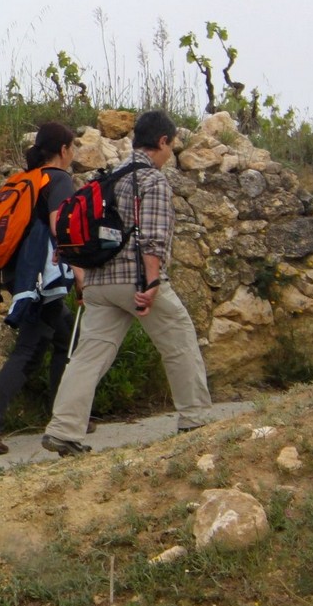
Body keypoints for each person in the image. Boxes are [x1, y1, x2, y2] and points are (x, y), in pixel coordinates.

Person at [41, 111, 211, 457]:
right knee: (179, 338)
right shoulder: (150, 180)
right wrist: (152, 280)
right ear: (162, 141)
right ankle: (195, 419)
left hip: (98, 282)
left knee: (89, 356)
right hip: (134, 281)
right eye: (171, 146)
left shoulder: (108, 176)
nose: (170, 153)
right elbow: (153, 238)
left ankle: (63, 430)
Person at [0, 124, 78, 455]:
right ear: (63, 150)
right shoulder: (58, 180)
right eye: (72, 147)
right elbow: (60, 227)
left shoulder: (26, 179)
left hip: (19, 276)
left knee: (66, 334)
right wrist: (80, 271)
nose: (73, 154)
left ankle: (66, 415)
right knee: (30, 348)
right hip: (41, 281)